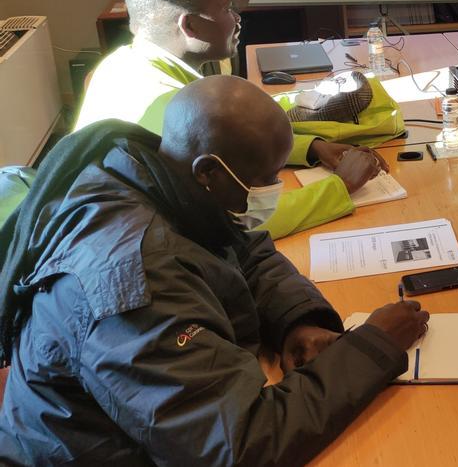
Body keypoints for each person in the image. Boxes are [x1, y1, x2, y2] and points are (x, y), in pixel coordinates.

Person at [0, 76, 430, 465]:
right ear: (208, 171)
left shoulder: (158, 177)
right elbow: (237, 447)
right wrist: (373, 348)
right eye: (264, 178)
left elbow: (246, 249)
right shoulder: (132, 281)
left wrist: (297, 321)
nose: (271, 191)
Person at [75, 0, 384, 239]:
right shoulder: (163, 106)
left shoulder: (127, 61)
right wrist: (341, 186)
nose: (238, 19)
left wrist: (312, 147)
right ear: (190, 25)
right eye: (225, 9)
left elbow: (225, 142)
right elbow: (235, 223)